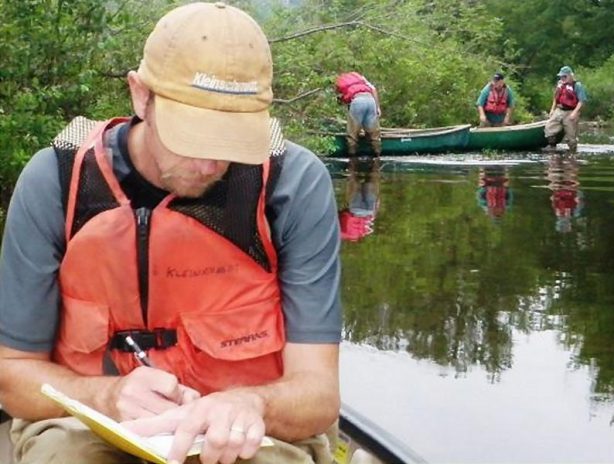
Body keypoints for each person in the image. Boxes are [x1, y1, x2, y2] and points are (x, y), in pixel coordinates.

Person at [0, 3, 341, 464]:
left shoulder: (294, 182)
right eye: (194, 136)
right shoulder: (57, 180)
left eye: (232, 140)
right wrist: (105, 396)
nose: (211, 165)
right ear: (140, 96)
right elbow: (13, 375)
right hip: (87, 422)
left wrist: (250, 403)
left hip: (250, 433)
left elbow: (318, 394)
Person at [335, 72, 381, 158]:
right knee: (374, 135)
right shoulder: (360, 78)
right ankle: (377, 157)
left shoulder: (339, 82)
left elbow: (340, 99)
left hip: (357, 101)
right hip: (371, 100)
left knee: (352, 135)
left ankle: (352, 160)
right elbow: (373, 89)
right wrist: (377, 107)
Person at [543, 65, 588, 154]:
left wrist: (574, 113)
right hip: (559, 110)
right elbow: (555, 98)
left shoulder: (577, 86)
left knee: (571, 137)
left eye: (565, 76)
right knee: (549, 128)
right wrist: (552, 110)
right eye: (561, 76)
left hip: (571, 111)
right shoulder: (560, 85)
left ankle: (572, 152)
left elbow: (581, 101)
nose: (563, 78)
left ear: (570, 75)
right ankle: (552, 148)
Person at [339, 158, 381, 242]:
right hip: (355, 210)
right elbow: (339, 215)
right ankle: (352, 158)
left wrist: (377, 204)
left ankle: (376, 159)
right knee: (354, 182)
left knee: (370, 183)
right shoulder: (340, 234)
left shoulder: (360, 233)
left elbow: (370, 220)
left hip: (369, 212)